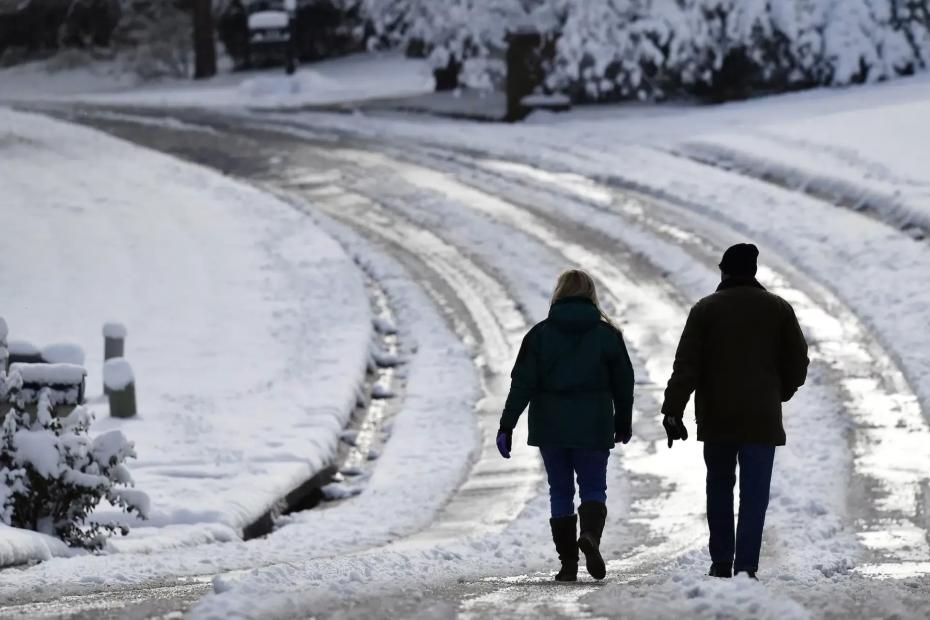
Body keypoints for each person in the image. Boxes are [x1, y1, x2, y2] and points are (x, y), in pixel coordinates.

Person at [661, 243, 809, 580]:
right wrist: (778, 393)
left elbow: (686, 366)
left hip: (717, 417)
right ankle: (746, 566)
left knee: (719, 486)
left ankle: (721, 561)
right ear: (754, 273)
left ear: (725, 271)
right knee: (755, 494)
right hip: (762, 417)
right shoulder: (779, 309)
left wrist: (673, 410)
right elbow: (798, 362)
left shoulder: (705, 310)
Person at [496, 269, 634, 582]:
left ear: (559, 293)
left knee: (560, 490)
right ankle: (590, 536)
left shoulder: (540, 335)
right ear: (590, 295)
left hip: (551, 425)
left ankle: (568, 564)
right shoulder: (607, 335)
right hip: (594, 422)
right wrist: (622, 419)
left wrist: (507, 425)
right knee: (594, 488)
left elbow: (523, 384)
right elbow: (623, 381)